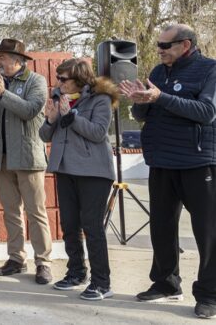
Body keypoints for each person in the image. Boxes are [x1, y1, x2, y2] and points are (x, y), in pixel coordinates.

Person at [119, 24, 216, 319]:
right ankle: (166, 284)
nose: (159, 50)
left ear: (185, 45)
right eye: (158, 45)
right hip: (161, 162)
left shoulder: (209, 70)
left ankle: (210, 295)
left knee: (208, 233)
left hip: (198, 163)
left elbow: (207, 112)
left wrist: (160, 97)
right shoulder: (159, 73)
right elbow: (146, 114)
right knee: (161, 228)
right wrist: (139, 102)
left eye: (165, 45)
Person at [40, 58, 119, 301]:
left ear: (79, 79)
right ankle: (76, 273)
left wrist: (71, 116)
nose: (58, 83)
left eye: (63, 79)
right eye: (58, 78)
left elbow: (98, 133)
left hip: (94, 171)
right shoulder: (58, 98)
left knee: (92, 227)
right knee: (69, 225)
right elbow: (45, 135)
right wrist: (51, 119)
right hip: (65, 169)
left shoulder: (100, 99)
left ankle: (101, 283)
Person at [0, 38, 53, 284]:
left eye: (2, 57)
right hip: (3, 158)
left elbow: (30, 110)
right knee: (11, 211)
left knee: (36, 212)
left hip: (28, 158)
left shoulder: (36, 81)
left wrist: (2, 94)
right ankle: (17, 258)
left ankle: (43, 262)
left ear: (18, 60)